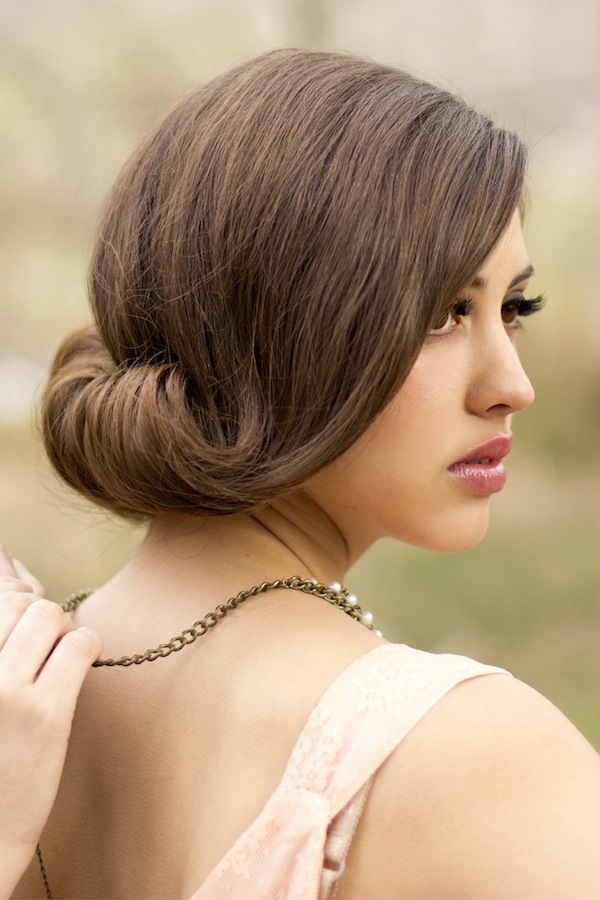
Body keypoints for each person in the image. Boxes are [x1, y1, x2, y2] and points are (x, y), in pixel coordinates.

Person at [5, 48, 600, 898]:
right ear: (275, 324)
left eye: (514, 310)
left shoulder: (20, 706)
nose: (513, 385)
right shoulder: (474, 760)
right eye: (443, 313)